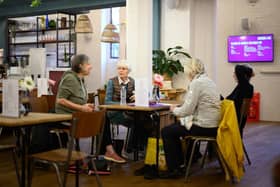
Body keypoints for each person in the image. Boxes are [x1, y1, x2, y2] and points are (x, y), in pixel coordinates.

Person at [55, 54, 125, 163]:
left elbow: (77, 100)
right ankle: (108, 151)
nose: (90, 66)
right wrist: (82, 108)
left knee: (102, 117)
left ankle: (106, 152)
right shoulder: (70, 78)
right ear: (80, 66)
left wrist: (86, 106)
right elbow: (60, 100)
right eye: (88, 64)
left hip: (77, 114)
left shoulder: (80, 79)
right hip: (66, 117)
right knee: (102, 117)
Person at [161, 58, 221, 178]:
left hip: (203, 127)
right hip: (214, 125)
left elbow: (187, 110)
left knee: (167, 131)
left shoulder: (196, 83)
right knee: (175, 128)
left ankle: (174, 169)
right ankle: (183, 162)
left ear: (191, 71)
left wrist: (173, 110)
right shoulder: (209, 81)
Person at [226, 64, 254, 137]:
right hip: (234, 117)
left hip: (234, 119)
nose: (233, 75)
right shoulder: (244, 86)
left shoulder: (244, 87)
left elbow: (231, 100)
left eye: (235, 73)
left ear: (240, 75)